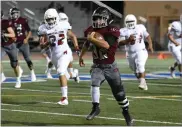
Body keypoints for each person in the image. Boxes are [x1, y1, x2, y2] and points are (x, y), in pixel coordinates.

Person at [79, 7, 133, 126]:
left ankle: (126, 113)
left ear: (107, 19)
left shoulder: (111, 30)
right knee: (94, 83)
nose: (97, 21)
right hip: (97, 65)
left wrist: (92, 38)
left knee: (119, 94)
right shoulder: (91, 30)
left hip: (110, 67)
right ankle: (95, 107)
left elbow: (106, 45)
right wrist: (81, 56)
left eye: (100, 19)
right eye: (95, 19)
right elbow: (87, 44)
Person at [38, 8, 80, 105]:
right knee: (65, 76)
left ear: (56, 18)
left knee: (60, 71)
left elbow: (73, 36)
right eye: (48, 20)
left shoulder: (63, 25)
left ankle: (64, 98)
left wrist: (77, 48)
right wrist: (47, 43)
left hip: (65, 52)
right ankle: (74, 74)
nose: (50, 21)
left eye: (52, 19)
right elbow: (42, 45)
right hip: (54, 55)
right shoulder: (43, 28)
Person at [119, 14, 153, 91]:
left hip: (141, 51)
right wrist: (128, 40)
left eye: (131, 21)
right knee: (135, 70)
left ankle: (142, 82)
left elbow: (147, 36)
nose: (130, 23)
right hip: (130, 53)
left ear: (135, 21)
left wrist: (150, 45)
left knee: (140, 65)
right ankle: (143, 82)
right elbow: (120, 43)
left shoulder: (140, 27)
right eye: (128, 21)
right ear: (125, 22)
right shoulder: (123, 30)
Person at [9, 7, 36, 81]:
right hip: (14, 43)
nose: (14, 14)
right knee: (14, 59)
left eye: (15, 13)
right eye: (13, 13)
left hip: (23, 42)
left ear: (18, 13)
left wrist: (26, 39)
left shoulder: (23, 20)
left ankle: (32, 73)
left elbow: (29, 31)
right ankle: (19, 69)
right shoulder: (9, 22)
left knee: (27, 58)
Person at [1, 10, 23, 88]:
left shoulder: (4, 23)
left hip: (10, 45)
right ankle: (2, 76)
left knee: (14, 65)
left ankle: (18, 80)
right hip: (2, 46)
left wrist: (4, 34)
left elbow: (12, 34)